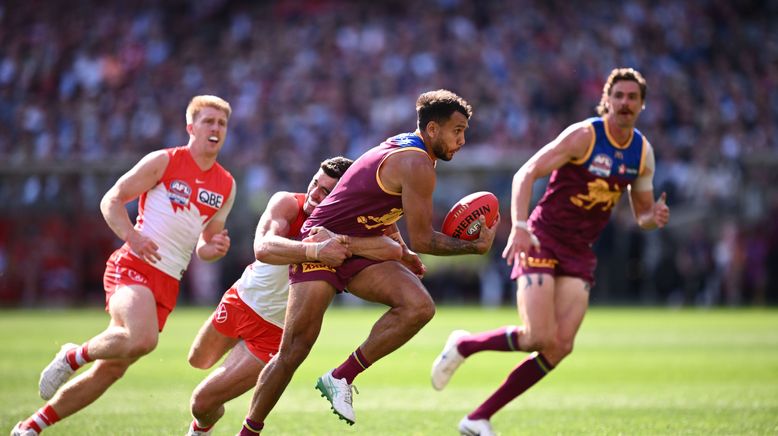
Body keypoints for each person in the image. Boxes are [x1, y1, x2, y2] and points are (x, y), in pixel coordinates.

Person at [238, 89, 498, 435]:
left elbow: (377, 209)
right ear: (432, 129)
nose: (463, 140)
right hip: (323, 240)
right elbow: (425, 239)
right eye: (458, 130)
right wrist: (474, 248)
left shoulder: (406, 147)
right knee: (294, 352)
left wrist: (402, 251)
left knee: (418, 306)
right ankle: (248, 433)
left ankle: (341, 377)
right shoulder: (417, 164)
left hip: (359, 247)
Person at [430, 68, 671, 435]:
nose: (624, 103)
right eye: (618, 96)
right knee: (537, 337)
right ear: (606, 100)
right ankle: (465, 344)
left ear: (641, 104)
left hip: (579, 251)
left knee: (559, 346)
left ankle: (477, 417)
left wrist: (654, 216)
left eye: (632, 97)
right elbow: (525, 173)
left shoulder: (642, 153)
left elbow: (641, 216)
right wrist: (522, 226)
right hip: (542, 236)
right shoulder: (584, 136)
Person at [11, 95, 237, 436]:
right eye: (208, 121)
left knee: (111, 370)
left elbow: (205, 246)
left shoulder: (226, 185)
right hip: (133, 265)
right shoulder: (164, 161)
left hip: (168, 281)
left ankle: (30, 427)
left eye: (221, 123)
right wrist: (132, 237)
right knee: (142, 339)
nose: (215, 128)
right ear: (191, 127)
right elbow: (111, 199)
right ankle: (73, 355)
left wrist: (214, 248)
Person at [185, 156, 405, 436]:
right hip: (240, 300)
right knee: (198, 360)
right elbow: (263, 247)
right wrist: (314, 251)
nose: (315, 193)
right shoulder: (287, 203)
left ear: (343, 195)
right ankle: (213, 406)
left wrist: (353, 244)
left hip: (274, 332)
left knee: (201, 403)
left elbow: (392, 247)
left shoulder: (349, 226)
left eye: (326, 191)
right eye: (315, 183)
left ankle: (200, 427)